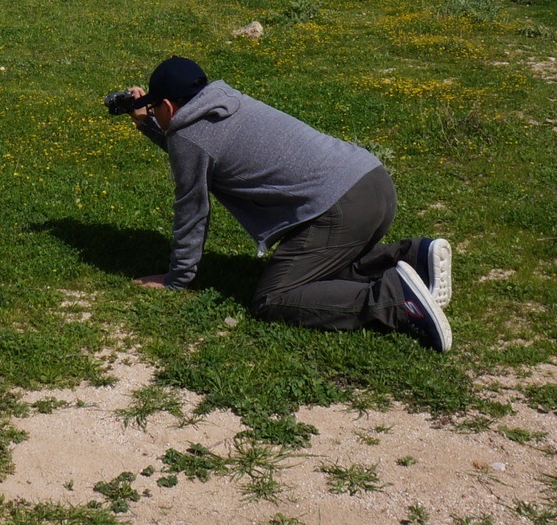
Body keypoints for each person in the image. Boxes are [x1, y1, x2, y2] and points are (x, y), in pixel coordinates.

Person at [123, 56, 454, 352]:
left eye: (155, 109)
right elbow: (198, 152)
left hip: (341, 210)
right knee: (324, 268)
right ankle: (415, 258)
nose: (154, 114)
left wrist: (176, 280)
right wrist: (147, 124)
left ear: (167, 105)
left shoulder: (188, 137)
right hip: (373, 184)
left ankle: (398, 302)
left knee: (274, 297)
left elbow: (192, 212)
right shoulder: (224, 102)